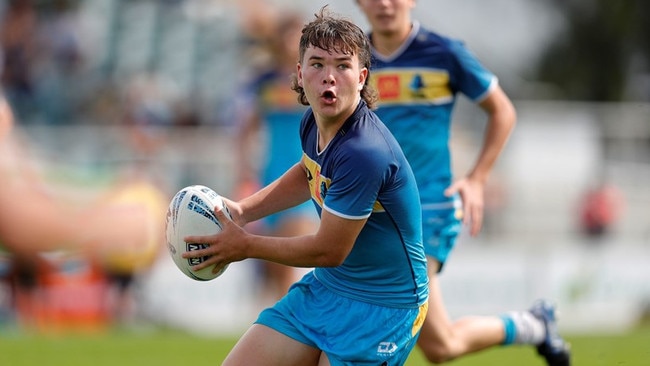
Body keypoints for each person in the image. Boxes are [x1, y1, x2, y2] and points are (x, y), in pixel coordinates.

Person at [183, 7, 428, 365]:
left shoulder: (366, 152)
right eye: (317, 64)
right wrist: (242, 210)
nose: (329, 77)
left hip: (383, 306)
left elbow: (328, 250)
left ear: (361, 77)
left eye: (342, 66)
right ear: (299, 75)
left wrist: (244, 245)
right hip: (328, 287)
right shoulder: (312, 122)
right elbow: (306, 171)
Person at [354, 1, 571, 365]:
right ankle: (532, 325)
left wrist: (477, 178)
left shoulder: (444, 52)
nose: (384, 3)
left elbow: (502, 110)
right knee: (441, 345)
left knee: (383, 315)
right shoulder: (350, 58)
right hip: (370, 212)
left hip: (429, 207)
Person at [234, 11, 319, 303]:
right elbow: (246, 129)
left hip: (306, 173)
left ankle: (287, 334)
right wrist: (244, 170)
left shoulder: (316, 78)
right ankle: (273, 330)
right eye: (288, 34)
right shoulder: (264, 81)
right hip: (270, 173)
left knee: (287, 262)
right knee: (270, 267)